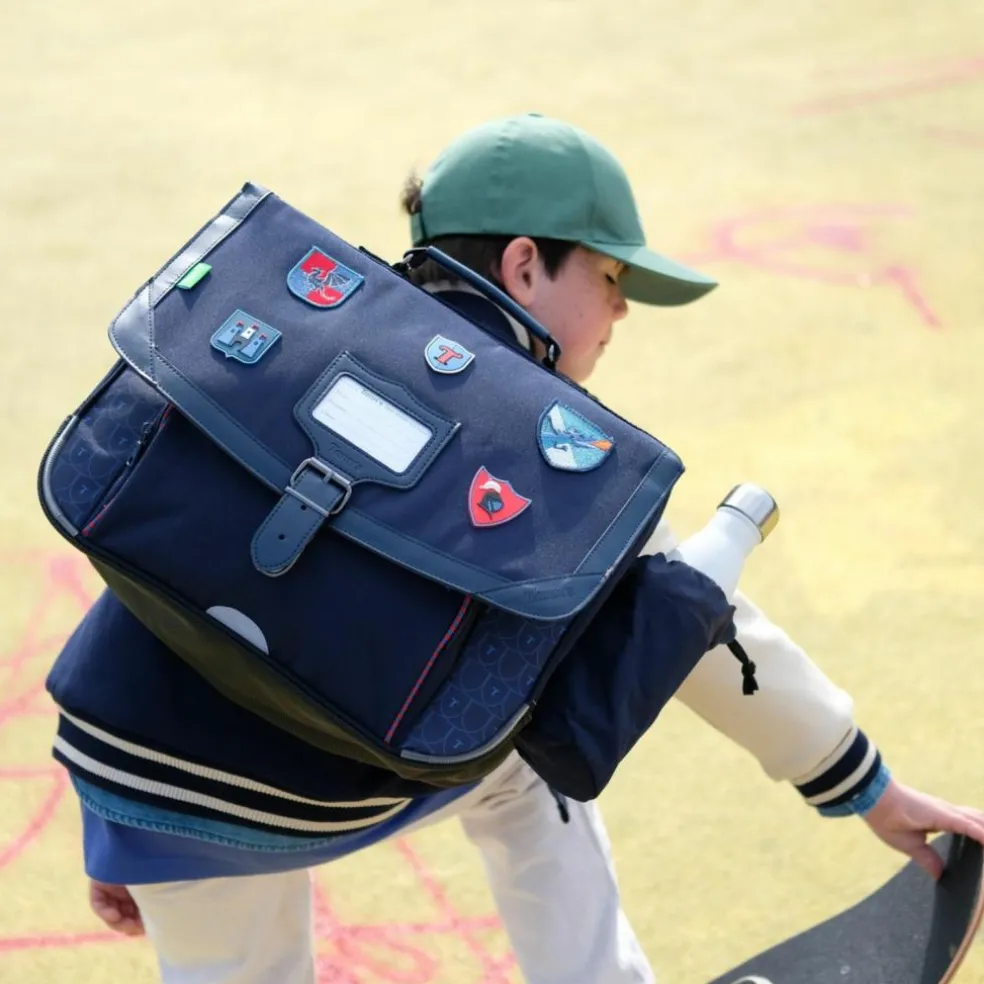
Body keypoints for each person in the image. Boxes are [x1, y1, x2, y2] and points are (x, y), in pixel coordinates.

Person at [49, 114, 984, 984]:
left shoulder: (304, 327)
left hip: (130, 754)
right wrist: (865, 785)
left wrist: (122, 820)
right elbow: (700, 621)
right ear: (527, 265)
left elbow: (164, 562)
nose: (621, 313)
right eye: (611, 280)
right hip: (289, 780)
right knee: (525, 750)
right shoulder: (553, 451)